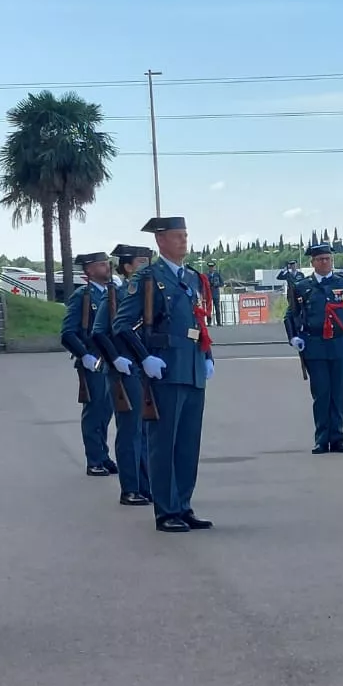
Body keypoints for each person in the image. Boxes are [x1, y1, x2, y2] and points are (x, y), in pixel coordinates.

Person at [115, 216, 216, 533]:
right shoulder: (148, 278)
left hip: (193, 367)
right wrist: (144, 358)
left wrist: (207, 356)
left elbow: (199, 322)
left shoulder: (193, 278)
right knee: (163, 444)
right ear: (160, 241)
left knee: (188, 445)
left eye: (185, 235)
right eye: (177, 236)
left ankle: (183, 505)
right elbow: (121, 325)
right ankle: (166, 510)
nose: (183, 241)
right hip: (166, 370)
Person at [286, 243, 343, 454]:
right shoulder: (302, 286)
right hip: (315, 346)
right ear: (312, 262)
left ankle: (337, 438)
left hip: (339, 345)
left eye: (328, 259)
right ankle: (322, 438)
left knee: (338, 394)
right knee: (321, 394)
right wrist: (294, 337)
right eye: (320, 259)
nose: (325, 262)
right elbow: (291, 314)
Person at [91, 244, 153, 507]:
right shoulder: (116, 295)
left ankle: (146, 486)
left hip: (147, 368)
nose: (147, 267)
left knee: (146, 430)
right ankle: (130, 488)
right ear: (127, 267)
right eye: (141, 263)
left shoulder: (151, 292)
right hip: (125, 370)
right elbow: (98, 331)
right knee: (130, 431)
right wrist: (116, 358)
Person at [61, 252, 118, 478]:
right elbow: (68, 333)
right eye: (101, 265)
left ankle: (103, 456)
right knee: (94, 412)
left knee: (106, 411)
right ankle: (94, 460)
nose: (107, 268)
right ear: (89, 270)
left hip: (110, 360)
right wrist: (84, 355)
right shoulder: (82, 297)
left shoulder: (111, 293)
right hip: (93, 360)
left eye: (107, 264)